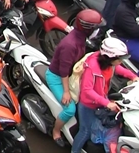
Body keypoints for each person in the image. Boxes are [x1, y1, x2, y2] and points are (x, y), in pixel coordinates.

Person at [44, 9, 104, 147]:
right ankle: (56, 130)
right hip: (57, 77)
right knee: (70, 109)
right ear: (88, 29)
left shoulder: (80, 38)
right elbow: (63, 71)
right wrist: (66, 92)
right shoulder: (70, 45)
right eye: (96, 29)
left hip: (71, 75)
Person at [70, 38, 139, 153]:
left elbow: (118, 69)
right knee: (85, 131)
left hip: (102, 99)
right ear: (110, 58)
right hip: (88, 104)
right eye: (120, 59)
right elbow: (87, 90)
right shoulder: (92, 67)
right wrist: (106, 103)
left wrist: (133, 77)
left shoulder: (109, 64)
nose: (121, 61)